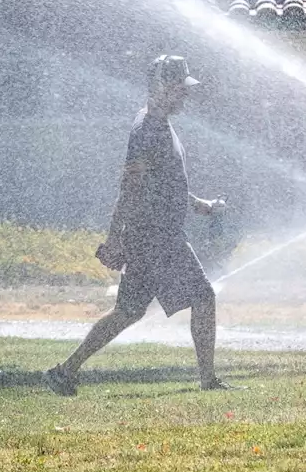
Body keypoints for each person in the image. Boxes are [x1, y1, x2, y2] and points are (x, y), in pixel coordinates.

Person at [44, 55, 234, 394]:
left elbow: (167, 183)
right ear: (162, 86)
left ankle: (64, 371)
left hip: (152, 236)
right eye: (180, 89)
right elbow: (130, 188)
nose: (184, 96)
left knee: (128, 311)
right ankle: (208, 381)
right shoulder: (147, 131)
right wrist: (114, 238)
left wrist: (201, 205)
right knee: (203, 297)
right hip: (156, 237)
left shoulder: (159, 125)